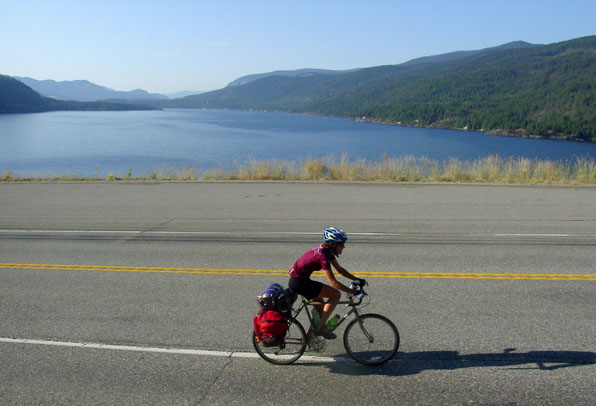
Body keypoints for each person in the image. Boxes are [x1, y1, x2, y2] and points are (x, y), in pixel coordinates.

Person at [288, 227, 367, 339]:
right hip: (299, 283)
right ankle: (320, 329)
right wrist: (353, 292)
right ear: (333, 244)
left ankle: (307, 340)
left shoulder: (327, 251)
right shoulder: (323, 256)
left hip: (300, 281)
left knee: (321, 311)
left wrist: (357, 279)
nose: (343, 247)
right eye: (341, 244)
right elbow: (333, 283)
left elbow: (340, 270)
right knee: (335, 295)